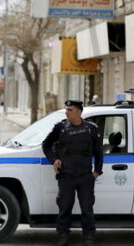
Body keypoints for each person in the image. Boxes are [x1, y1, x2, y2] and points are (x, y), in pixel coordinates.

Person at [42, 100, 103, 246]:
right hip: (66, 176)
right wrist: (54, 159)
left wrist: (97, 171)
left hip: (85, 176)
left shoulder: (91, 128)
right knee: (64, 208)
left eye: (69, 109)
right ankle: (63, 235)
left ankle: (89, 236)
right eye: (66, 109)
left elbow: (98, 151)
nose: (66, 112)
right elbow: (46, 145)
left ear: (78, 112)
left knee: (87, 209)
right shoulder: (60, 128)